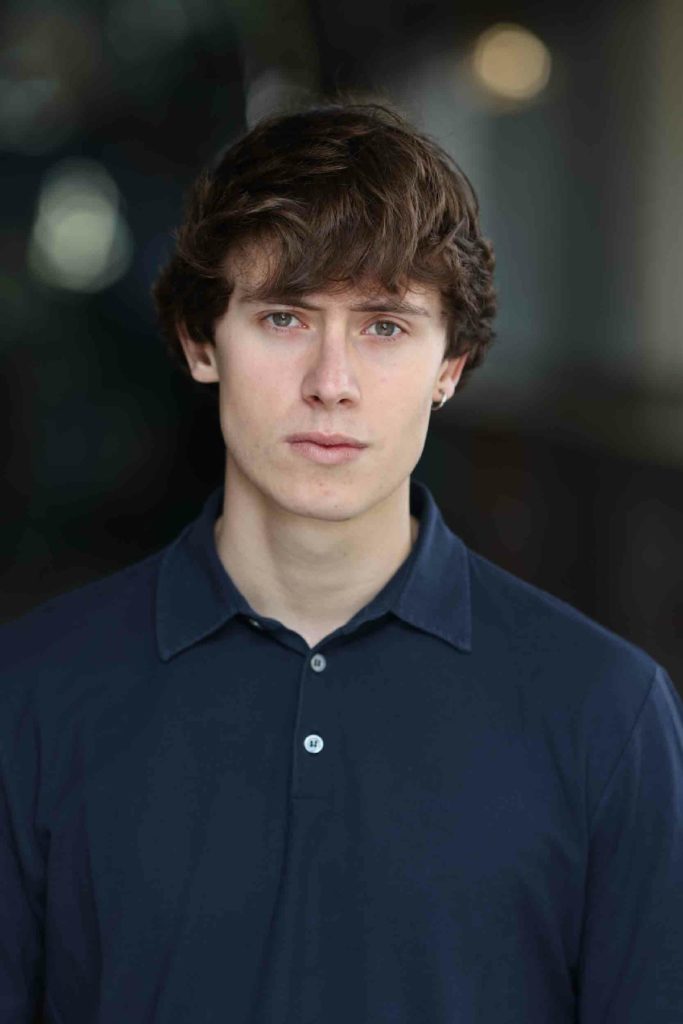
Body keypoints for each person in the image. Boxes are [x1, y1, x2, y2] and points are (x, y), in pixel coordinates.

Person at [1, 100, 682, 1024]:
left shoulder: (605, 712)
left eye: (384, 326)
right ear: (202, 342)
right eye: (284, 318)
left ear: (451, 365)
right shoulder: (32, 698)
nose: (331, 383)